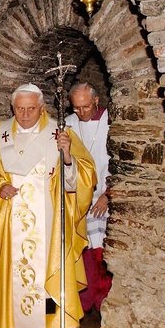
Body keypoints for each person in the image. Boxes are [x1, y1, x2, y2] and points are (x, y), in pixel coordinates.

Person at [0, 83, 96, 328]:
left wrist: (68, 156)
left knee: (47, 280)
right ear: (12, 107)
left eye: (30, 108)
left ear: (41, 108)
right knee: (13, 279)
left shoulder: (61, 134)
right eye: (19, 108)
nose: (24, 114)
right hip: (10, 221)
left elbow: (83, 179)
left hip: (48, 222)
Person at [65, 82, 113, 314]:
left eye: (85, 106)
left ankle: (103, 300)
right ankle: (83, 302)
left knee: (101, 253)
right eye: (76, 108)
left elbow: (120, 162)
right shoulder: (69, 124)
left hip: (103, 195)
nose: (81, 113)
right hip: (78, 198)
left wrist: (108, 194)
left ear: (96, 101)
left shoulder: (111, 122)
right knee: (81, 252)